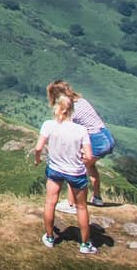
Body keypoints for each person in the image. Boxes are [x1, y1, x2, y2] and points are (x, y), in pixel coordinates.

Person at [35, 92, 98, 253]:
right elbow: (89, 156)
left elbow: (38, 147)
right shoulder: (81, 130)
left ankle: (49, 237)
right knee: (81, 208)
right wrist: (80, 162)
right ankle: (85, 245)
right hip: (75, 172)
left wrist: (38, 159)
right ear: (71, 110)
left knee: (50, 203)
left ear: (58, 108)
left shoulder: (48, 125)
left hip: (55, 169)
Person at [49, 79, 118, 206]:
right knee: (90, 165)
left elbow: (64, 128)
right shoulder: (82, 101)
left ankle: (71, 203)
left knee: (75, 167)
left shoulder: (70, 109)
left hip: (96, 140)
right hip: (106, 136)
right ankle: (97, 198)